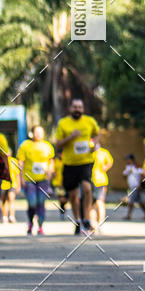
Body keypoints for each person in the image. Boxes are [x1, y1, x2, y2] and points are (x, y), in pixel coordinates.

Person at [55, 98, 100, 235]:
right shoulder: (63, 123)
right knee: (73, 195)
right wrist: (71, 137)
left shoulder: (89, 121)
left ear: (83, 109)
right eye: (75, 107)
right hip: (69, 163)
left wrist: (95, 145)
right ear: (70, 108)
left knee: (87, 188)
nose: (77, 109)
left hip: (86, 161)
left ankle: (86, 217)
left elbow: (97, 134)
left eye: (80, 107)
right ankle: (78, 220)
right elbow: (57, 144)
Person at [17, 125, 55, 236]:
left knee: (41, 203)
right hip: (29, 180)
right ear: (32, 133)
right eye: (36, 132)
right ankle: (30, 223)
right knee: (32, 202)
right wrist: (21, 179)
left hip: (43, 180)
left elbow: (51, 162)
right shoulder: (25, 145)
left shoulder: (47, 146)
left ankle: (40, 226)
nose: (38, 134)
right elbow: (20, 163)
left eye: (40, 132)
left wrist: (49, 174)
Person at [91, 142, 114, 232]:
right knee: (91, 204)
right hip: (90, 180)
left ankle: (100, 223)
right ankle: (92, 224)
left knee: (99, 202)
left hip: (100, 180)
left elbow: (110, 162)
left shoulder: (103, 153)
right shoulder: (90, 152)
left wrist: (105, 167)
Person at [123, 154, 145, 220]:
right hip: (132, 186)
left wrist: (140, 184)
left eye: (128, 159)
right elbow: (124, 175)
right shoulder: (128, 167)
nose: (127, 160)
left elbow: (143, 174)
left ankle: (128, 215)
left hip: (136, 186)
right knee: (140, 202)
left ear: (131, 159)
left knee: (131, 201)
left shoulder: (137, 166)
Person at [1, 153, 20, 223]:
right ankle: (4, 216)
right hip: (3, 184)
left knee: (11, 199)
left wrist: (18, 185)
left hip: (13, 183)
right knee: (4, 201)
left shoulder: (14, 161)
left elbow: (17, 174)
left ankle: (11, 216)